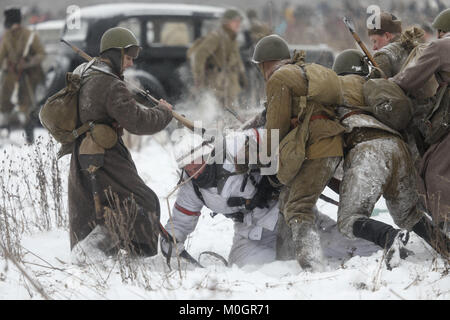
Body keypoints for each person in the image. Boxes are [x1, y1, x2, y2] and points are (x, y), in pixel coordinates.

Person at [332, 49, 449, 267]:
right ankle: (446, 247)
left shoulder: (336, 89)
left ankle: (388, 237)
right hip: (398, 147)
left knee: (349, 219)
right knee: (409, 215)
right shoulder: (375, 87)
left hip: (368, 148)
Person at [69, 27, 173, 264]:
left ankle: (100, 251)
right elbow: (138, 121)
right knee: (143, 201)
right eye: (127, 58)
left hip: (86, 153)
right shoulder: (110, 84)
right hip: (104, 155)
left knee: (100, 205)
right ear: (116, 55)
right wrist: (164, 112)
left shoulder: (88, 73)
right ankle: (99, 250)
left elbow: (112, 106)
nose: (129, 64)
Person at [252, 34, 345, 271]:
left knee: (298, 207)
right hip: (329, 143)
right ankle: (285, 258)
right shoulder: (302, 72)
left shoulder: (279, 78)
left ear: (264, 64)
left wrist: (263, 161)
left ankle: (312, 265)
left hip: (316, 147)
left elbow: (275, 127)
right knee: (287, 201)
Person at [161, 130, 281, 267]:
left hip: (280, 213)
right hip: (250, 231)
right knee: (244, 269)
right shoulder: (191, 186)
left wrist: (268, 183)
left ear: (207, 156)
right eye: (189, 170)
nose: (195, 176)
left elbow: (276, 139)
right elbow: (180, 221)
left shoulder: (234, 146)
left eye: (197, 167)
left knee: (292, 259)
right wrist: (171, 238)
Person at [391, 8, 450, 237]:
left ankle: (446, 231)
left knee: (434, 170)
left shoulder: (441, 46)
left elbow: (408, 80)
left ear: (441, 30)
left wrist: (386, 82)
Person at [187, 8, 247, 124]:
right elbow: (199, 55)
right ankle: (213, 131)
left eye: (239, 22)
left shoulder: (232, 37)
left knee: (230, 110)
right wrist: (199, 77)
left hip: (229, 81)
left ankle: (227, 131)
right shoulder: (216, 37)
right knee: (216, 110)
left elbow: (236, 58)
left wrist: (242, 75)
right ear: (226, 22)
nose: (238, 24)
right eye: (235, 21)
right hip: (216, 81)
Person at [0, 7, 46, 143]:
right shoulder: (7, 36)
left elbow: (41, 54)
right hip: (11, 77)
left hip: (28, 78)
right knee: (4, 104)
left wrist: (27, 62)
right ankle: (5, 133)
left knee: (26, 108)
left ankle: (30, 139)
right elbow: (1, 56)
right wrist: (5, 65)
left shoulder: (30, 35)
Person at [368, 11, 423, 78]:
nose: (374, 48)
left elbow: (373, 86)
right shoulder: (416, 48)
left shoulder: (382, 57)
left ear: (387, 36)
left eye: (374, 41)